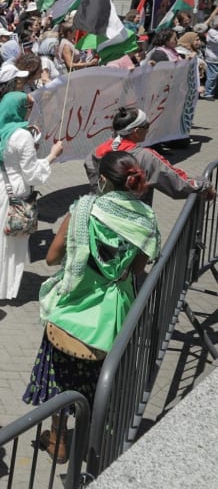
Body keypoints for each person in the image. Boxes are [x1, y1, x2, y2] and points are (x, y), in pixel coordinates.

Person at [23, 152, 160, 463]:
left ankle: (57, 439)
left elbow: (51, 258)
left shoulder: (83, 210)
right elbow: (138, 267)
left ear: (101, 179)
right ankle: (101, 443)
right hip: (112, 316)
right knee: (104, 381)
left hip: (72, 310)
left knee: (62, 379)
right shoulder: (145, 218)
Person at [0, 92, 64, 302]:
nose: (28, 112)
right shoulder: (22, 135)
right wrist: (52, 155)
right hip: (13, 194)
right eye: (27, 107)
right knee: (5, 245)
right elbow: (32, 173)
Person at [84, 107, 213, 204]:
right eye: (146, 125)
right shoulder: (145, 157)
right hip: (134, 220)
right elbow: (177, 182)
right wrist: (203, 185)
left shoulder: (94, 153)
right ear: (136, 131)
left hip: (102, 214)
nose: (148, 129)